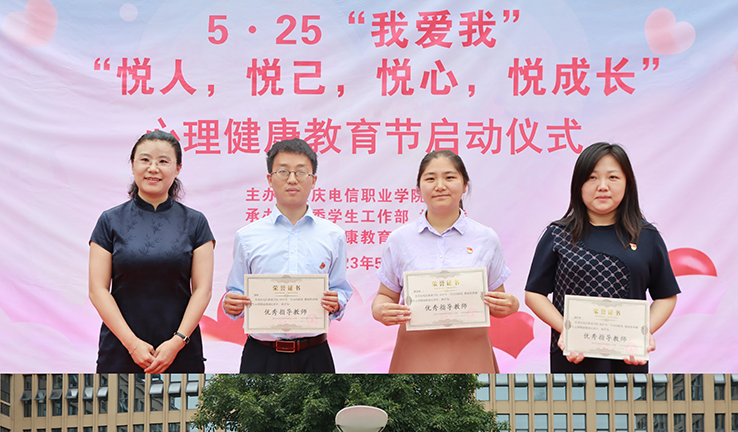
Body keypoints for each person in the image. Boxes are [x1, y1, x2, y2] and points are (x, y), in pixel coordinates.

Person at [525, 141, 680, 372]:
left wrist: (643, 332)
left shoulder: (647, 236)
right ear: (578, 185)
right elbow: (534, 294)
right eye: (592, 178)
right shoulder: (558, 234)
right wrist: (566, 329)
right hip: (572, 355)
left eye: (613, 177)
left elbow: (666, 296)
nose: (603, 186)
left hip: (628, 357)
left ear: (628, 183)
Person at [371, 149, 519, 372]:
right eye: (430, 179)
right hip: (415, 351)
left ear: (465, 185)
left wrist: (510, 304)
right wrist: (380, 310)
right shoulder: (399, 239)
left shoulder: (486, 238)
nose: (440, 186)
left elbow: (497, 301)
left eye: (450, 177)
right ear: (419, 188)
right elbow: (385, 295)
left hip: (471, 350)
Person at [89, 129, 215, 373]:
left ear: (178, 168)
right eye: (145, 160)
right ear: (133, 165)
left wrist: (177, 342)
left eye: (163, 161)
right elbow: (97, 290)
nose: (153, 168)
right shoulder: (110, 220)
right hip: (120, 348)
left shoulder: (196, 222)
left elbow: (203, 290)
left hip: (181, 348)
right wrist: (132, 344)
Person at [223, 137, 352, 372]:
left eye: (301, 172)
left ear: (313, 180)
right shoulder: (247, 236)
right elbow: (236, 291)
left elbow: (340, 289)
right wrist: (231, 303)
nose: (292, 179)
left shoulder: (334, 236)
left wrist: (337, 302)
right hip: (260, 354)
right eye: (283, 172)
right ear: (270, 179)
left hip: (315, 354)